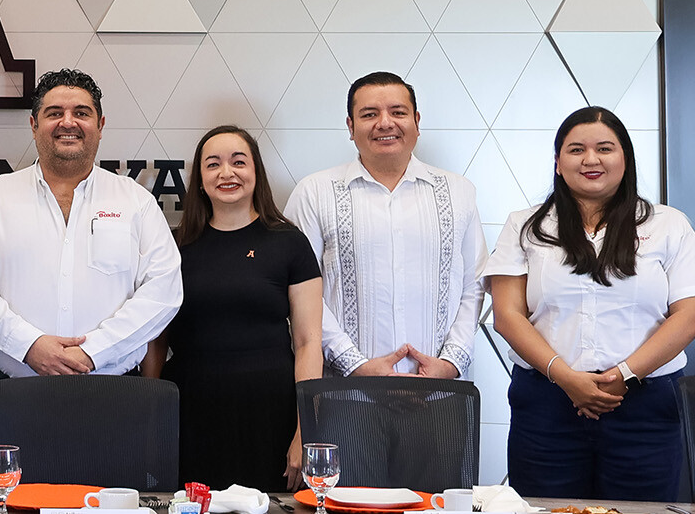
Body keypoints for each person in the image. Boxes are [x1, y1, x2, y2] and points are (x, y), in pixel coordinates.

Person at [488, 107, 695, 501]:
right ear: (557, 162)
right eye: (576, 149)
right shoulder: (525, 225)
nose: (590, 159)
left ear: (625, 158)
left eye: (604, 148)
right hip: (547, 404)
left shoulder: (669, 225)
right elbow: (507, 315)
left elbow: (688, 316)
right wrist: (567, 378)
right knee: (544, 509)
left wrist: (624, 375)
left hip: (645, 404)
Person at [0, 68, 182, 383]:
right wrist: (29, 346)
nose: (68, 122)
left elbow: (163, 291)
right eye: (54, 113)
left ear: (100, 126)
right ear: (34, 125)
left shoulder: (136, 201)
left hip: (113, 389)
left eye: (81, 113)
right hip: (14, 391)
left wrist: (94, 352)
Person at [142, 126, 322, 491]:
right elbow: (156, 339)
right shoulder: (172, 246)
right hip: (190, 410)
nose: (227, 173)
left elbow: (308, 342)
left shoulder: (290, 243)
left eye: (238, 162)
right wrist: (149, 419)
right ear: (199, 179)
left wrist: (305, 431)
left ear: (256, 171)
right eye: (213, 164)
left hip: (271, 412)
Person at [284, 71, 485, 378]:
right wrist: (354, 365)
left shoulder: (460, 192)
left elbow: (474, 286)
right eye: (369, 114)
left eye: (398, 112)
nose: (385, 123)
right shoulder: (314, 193)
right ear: (350, 126)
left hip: (438, 390)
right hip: (345, 391)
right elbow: (301, 293)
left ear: (416, 121)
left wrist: (450, 363)